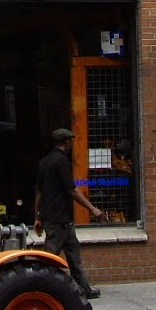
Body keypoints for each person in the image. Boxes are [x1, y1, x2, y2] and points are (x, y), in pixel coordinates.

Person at [33, 128, 103, 299]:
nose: (72, 144)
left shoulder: (44, 162)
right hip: (59, 220)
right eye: (71, 141)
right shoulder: (61, 161)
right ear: (66, 142)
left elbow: (38, 193)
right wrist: (92, 208)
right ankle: (37, 286)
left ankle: (84, 288)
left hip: (55, 219)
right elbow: (71, 190)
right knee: (49, 258)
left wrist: (37, 217)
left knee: (73, 254)